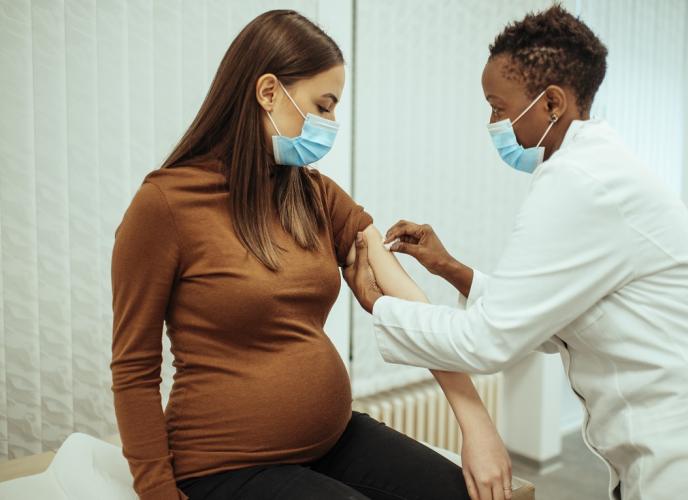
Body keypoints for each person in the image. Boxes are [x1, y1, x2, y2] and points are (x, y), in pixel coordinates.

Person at [342, 5, 688, 500]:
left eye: (498, 107)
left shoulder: (579, 183)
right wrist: (450, 269)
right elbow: (550, 319)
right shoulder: (592, 172)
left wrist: (379, 303)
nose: (492, 123)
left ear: (552, 103)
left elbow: (488, 341)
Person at [111, 10, 512, 500]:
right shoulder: (166, 204)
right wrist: (156, 493)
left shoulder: (313, 195)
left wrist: (477, 426)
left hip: (333, 439)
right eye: (322, 107)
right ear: (268, 92)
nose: (331, 124)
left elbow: (408, 301)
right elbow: (134, 368)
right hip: (225, 464)